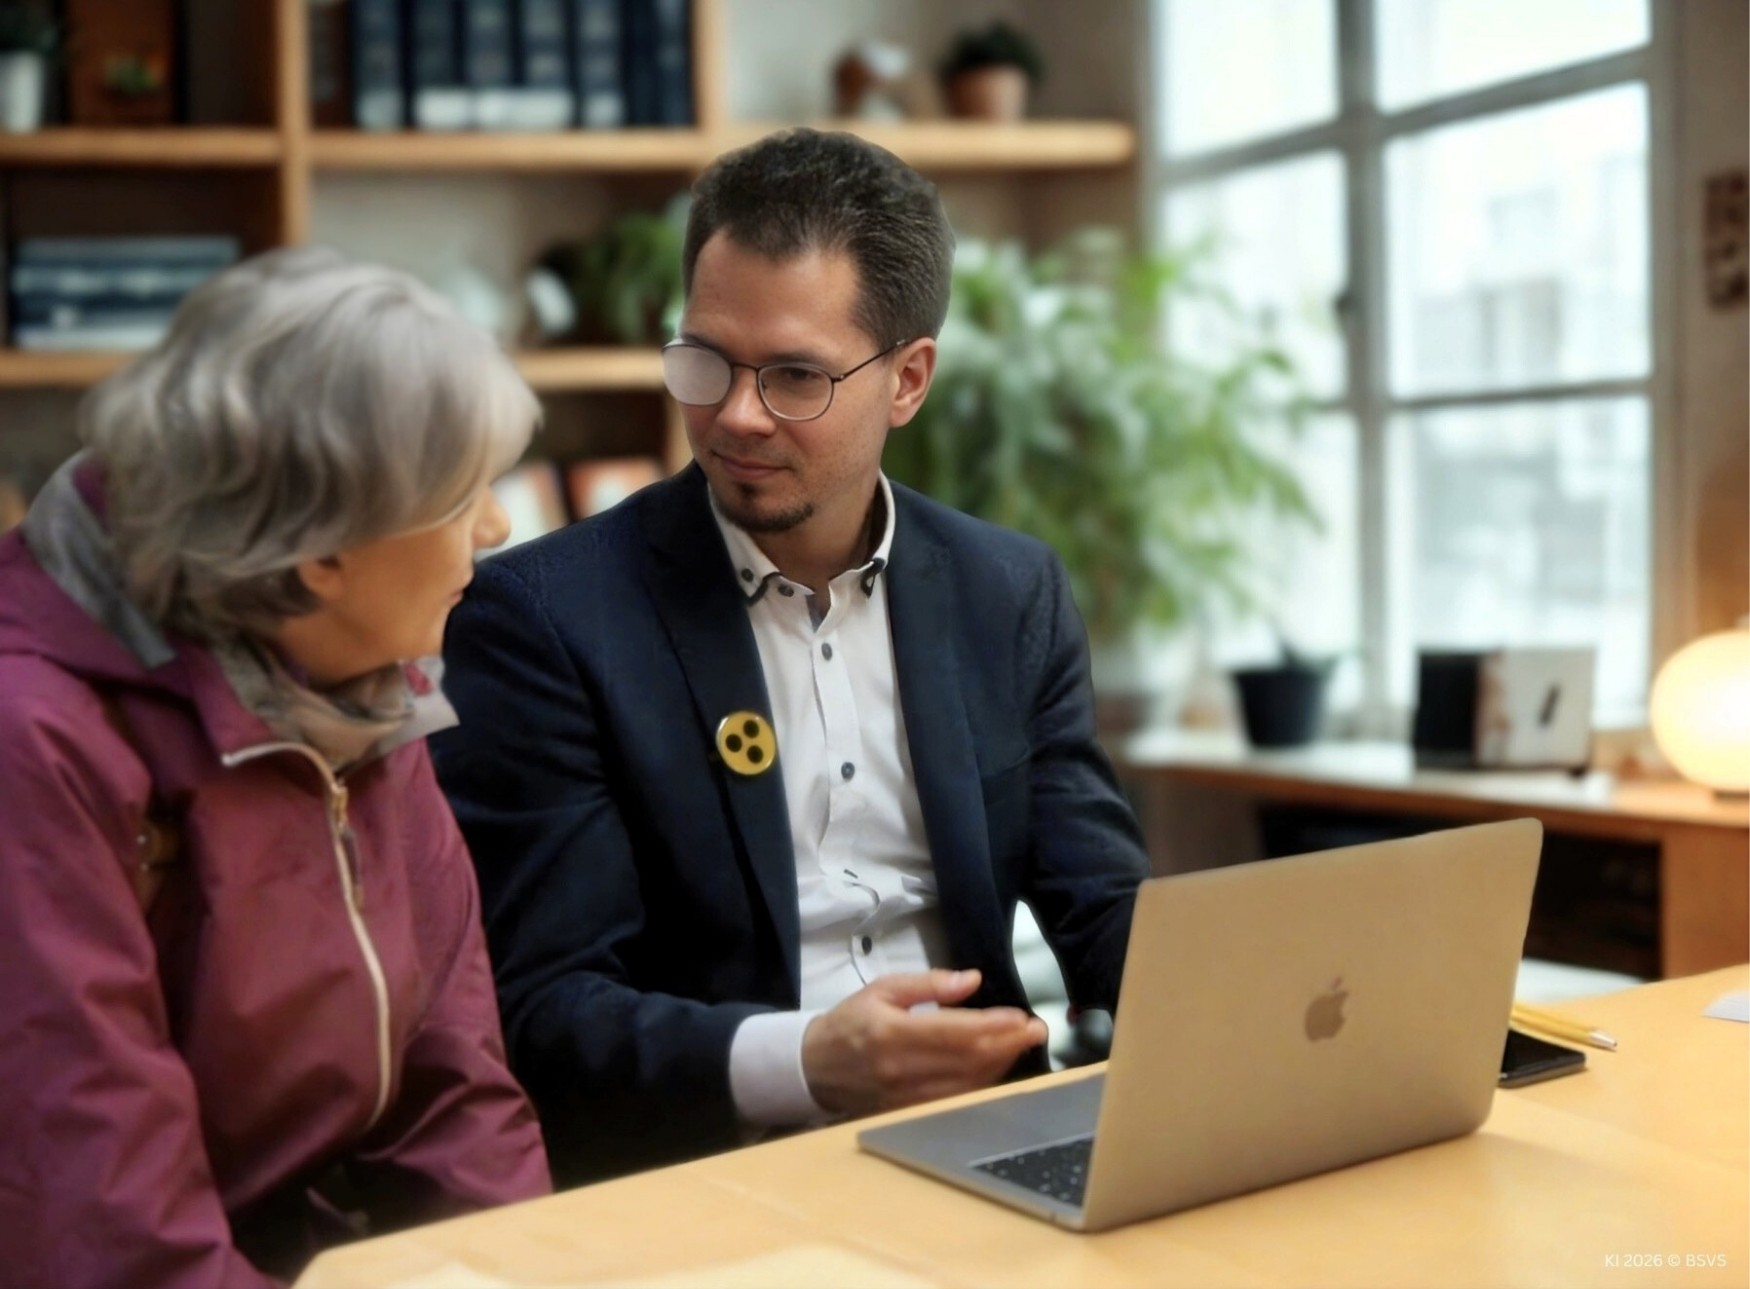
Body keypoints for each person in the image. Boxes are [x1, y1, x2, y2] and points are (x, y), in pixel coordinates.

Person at [434, 128, 1149, 1186]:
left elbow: (1101, 907)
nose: (732, 414)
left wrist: (1271, 1030)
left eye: (795, 377)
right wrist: (808, 1060)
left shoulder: (1009, 591)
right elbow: (543, 1004)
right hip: (708, 1172)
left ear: (906, 379)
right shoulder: (541, 618)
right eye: (705, 359)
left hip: (988, 1141)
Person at [0, 247, 552, 1289]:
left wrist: (516, 1271)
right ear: (322, 554)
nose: (498, 525)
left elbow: (455, 1083)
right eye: (462, 496)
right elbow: (107, 1226)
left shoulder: (356, 674)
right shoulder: (32, 738)